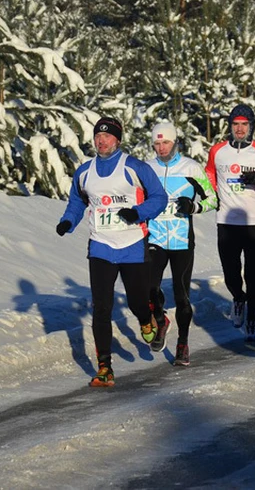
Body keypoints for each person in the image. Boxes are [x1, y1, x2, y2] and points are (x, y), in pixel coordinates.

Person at [56, 117, 168, 387]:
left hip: (132, 245)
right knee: (101, 308)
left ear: (117, 140)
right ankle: (104, 368)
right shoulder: (85, 172)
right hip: (101, 246)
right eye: (98, 136)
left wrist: (138, 212)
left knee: (137, 302)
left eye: (107, 136)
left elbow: (159, 197)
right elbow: (77, 202)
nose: (101, 140)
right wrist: (68, 221)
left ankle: (148, 321)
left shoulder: (134, 167)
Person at [205, 103, 255, 341]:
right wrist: (213, 194)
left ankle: (252, 319)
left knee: (252, 274)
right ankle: (238, 298)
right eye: (236, 124)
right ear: (230, 126)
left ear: (252, 127)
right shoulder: (218, 151)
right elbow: (210, 172)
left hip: (254, 224)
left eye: (244, 125)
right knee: (231, 274)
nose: (239, 129)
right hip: (227, 222)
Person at [145, 121, 218, 366]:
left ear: (175, 142)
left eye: (165, 142)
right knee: (149, 288)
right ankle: (161, 319)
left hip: (181, 240)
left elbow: (213, 200)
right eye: (157, 143)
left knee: (181, 294)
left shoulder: (191, 168)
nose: (161, 148)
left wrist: (194, 207)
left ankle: (183, 343)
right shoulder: (147, 169)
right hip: (154, 238)